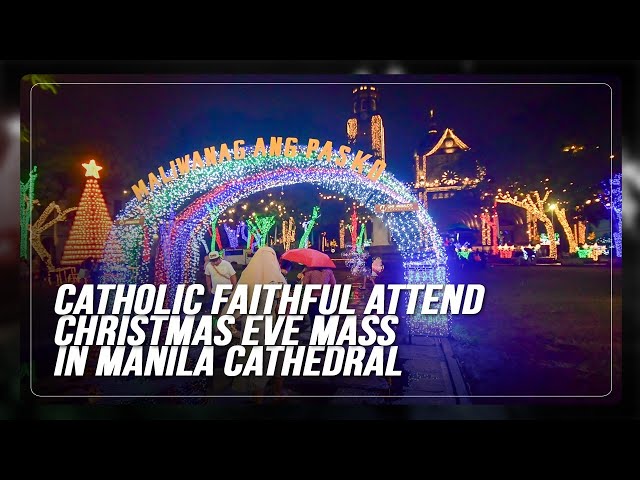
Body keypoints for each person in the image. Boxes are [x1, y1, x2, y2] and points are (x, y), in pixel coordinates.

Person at [228, 246, 287, 402]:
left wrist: (234, 329)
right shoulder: (278, 279)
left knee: (256, 362)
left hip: (252, 327)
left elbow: (234, 307)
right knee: (277, 359)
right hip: (273, 326)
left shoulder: (247, 278)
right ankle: (277, 394)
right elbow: (283, 310)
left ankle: (257, 400)